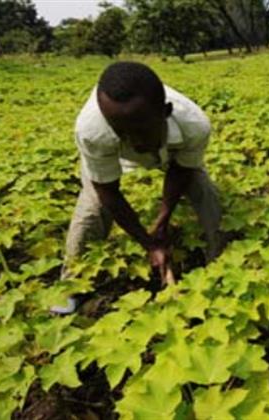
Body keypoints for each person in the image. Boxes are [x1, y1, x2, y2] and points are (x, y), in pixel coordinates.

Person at [51, 61, 223, 314]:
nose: (133, 141)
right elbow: (108, 191)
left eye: (141, 130)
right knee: (91, 208)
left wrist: (163, 219)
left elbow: (181, 170)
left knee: (204, 190)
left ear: (165, 112)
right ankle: (71, 284)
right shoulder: (93, 131)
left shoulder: (194, 125)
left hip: (170, 146)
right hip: (109, 147)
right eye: (122, 132)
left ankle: (219, 262)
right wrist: (149, 243)